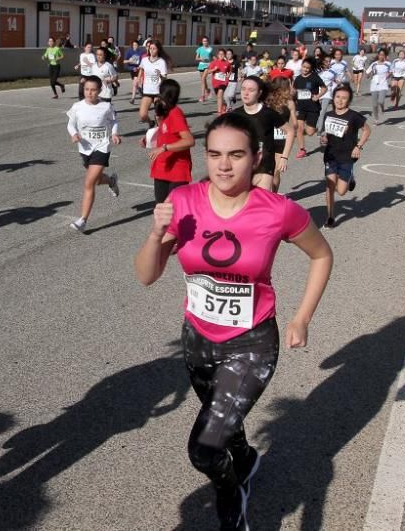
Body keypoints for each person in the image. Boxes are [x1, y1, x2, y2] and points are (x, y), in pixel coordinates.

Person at [134, 113, 333, 531]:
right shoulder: (184, 201)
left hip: (251, 343)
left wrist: (302, 317)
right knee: (221, 418)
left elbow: (321, 255)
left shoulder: (279, 211)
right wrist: (155, 235)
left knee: (204, 450)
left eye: (236, 155)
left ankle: (231, 495)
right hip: (198, 339)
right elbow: (147, 276)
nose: (224, 165)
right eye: (215, 154)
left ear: (256, 157)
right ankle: (246, 460)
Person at [66, 75, 121, 232]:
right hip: (85, 147)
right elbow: (71, 124)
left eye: (93, 90)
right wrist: (74, 134)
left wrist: (115, 134)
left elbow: (114, 121)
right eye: (87, 89)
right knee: (96, 180)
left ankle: (83, 220)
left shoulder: (106, 107)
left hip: (102, 147)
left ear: (100, 90)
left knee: (89, 182)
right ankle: (111, 181)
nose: (89, 93)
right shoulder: (77, 106)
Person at [229, 76, 293, 191]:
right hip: (243, 166)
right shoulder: (235, 115)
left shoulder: (268, 113)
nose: (246, 93)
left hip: (265, 166)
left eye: (251, 90)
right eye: (243, 89)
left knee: (262, 203)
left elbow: (290, 131)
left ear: (259, 93)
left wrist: (284, 157)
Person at [321, 86, 371, 228]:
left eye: (344, 98)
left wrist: (359, 146)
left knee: (341, 192)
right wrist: (324, 138)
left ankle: (350, 178)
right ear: (333, 98)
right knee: (330, 187)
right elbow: (327, 133)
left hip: (347, 156)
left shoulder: (354, 116)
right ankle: (330, 217)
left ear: (348, 100)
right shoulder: (328, 114)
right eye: (338, 97)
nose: (340, 100)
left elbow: (367, 130)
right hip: (331, 156)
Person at [141, 79, 194, 203]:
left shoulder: (175, 113)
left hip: (177, 169)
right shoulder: (164, 111)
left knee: (173, 211)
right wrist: (148, 139)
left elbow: (189, 141)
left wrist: (164, 148)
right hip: (162, 167)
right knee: (161, 210)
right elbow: (165, 132)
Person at [265, 76, 298, 193]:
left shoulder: (290, 103)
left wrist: (291, 127)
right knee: (266, 172)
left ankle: (273, 196)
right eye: (288, 86)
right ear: (281, 88)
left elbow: (294, 124)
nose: (290, 88)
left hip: (281, 141)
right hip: (267, 140)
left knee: (275, 172)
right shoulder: (267, 101)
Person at [292, 57, 326, 159]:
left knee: (310, 132)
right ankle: (302, 150)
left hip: (313, 108)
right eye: (304, 67)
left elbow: (324, 88)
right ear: (301, 66)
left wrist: (318, 96)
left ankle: (320, 132)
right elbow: (294, 91)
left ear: (311, 69)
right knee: (299, 128)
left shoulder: (314, 77)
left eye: (307, 68)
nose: (305, 69)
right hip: (301, 107)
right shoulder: (297, 78)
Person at [136, 41, 171, 128]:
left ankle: (161, 132)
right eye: (150, 48)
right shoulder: (144, 60)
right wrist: (138, 80)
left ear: (158, 50)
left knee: (159, 116)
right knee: (142, 115)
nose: (151, 50)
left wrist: (160, 76)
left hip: (157, 92)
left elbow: (164, 78)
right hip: (147, 91)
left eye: (154, 48)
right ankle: (150, 122)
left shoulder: (161, 62)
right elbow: (141, 69)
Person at [365, 49, 392, 124]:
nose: (381, 56)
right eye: (380, 55)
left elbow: (392, 72)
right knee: (374, 104)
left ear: (385, 56)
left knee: (381, 101)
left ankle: (382, 108)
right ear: (378, 55)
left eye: (383, 55)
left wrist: (389, 74)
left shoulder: (388, 64)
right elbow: (367, 73)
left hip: (383, 85)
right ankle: (376, 119)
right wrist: (367, 75)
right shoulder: (374, 64)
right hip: (374, 85)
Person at [207, 49, 232, 115]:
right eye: (220, 54)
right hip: (215, 83)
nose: (221, 55)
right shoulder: (214, 62)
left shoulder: (227, 63)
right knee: (218, 96)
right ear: (217, 55)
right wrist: (214, 69)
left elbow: (230, 70)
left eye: (222, 54)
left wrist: (228, 75)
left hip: (224, 82)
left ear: (224, 55)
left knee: (220, 93)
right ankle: (223, 105)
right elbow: (208, 72)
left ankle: (219, 111)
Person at [124, 40, 145, 105]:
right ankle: (136, 94)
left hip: (140, 69)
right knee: (135, 83)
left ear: (138, 46)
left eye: (136, 45)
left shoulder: (141, 52)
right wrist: (129, 61)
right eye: (133, 45)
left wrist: (139, 67)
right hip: (132, 70)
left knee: (137, 83)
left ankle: (133, 98)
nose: (135, 46)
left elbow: (143, 62)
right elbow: (124, 61)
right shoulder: (129, 51)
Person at [195, 37, 213, 102]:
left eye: (206, 41)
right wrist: (201, 59)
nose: (205, 42)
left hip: (208, 65)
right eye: (203, 41)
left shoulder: (210, 49)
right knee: (203, 80)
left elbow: (212, 57)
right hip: (201, 65)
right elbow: (196, 58)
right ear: (202, 42)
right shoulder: (199, 49)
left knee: (203, 79)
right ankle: (208, 90)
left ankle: (202, 96)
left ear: (208, 42)